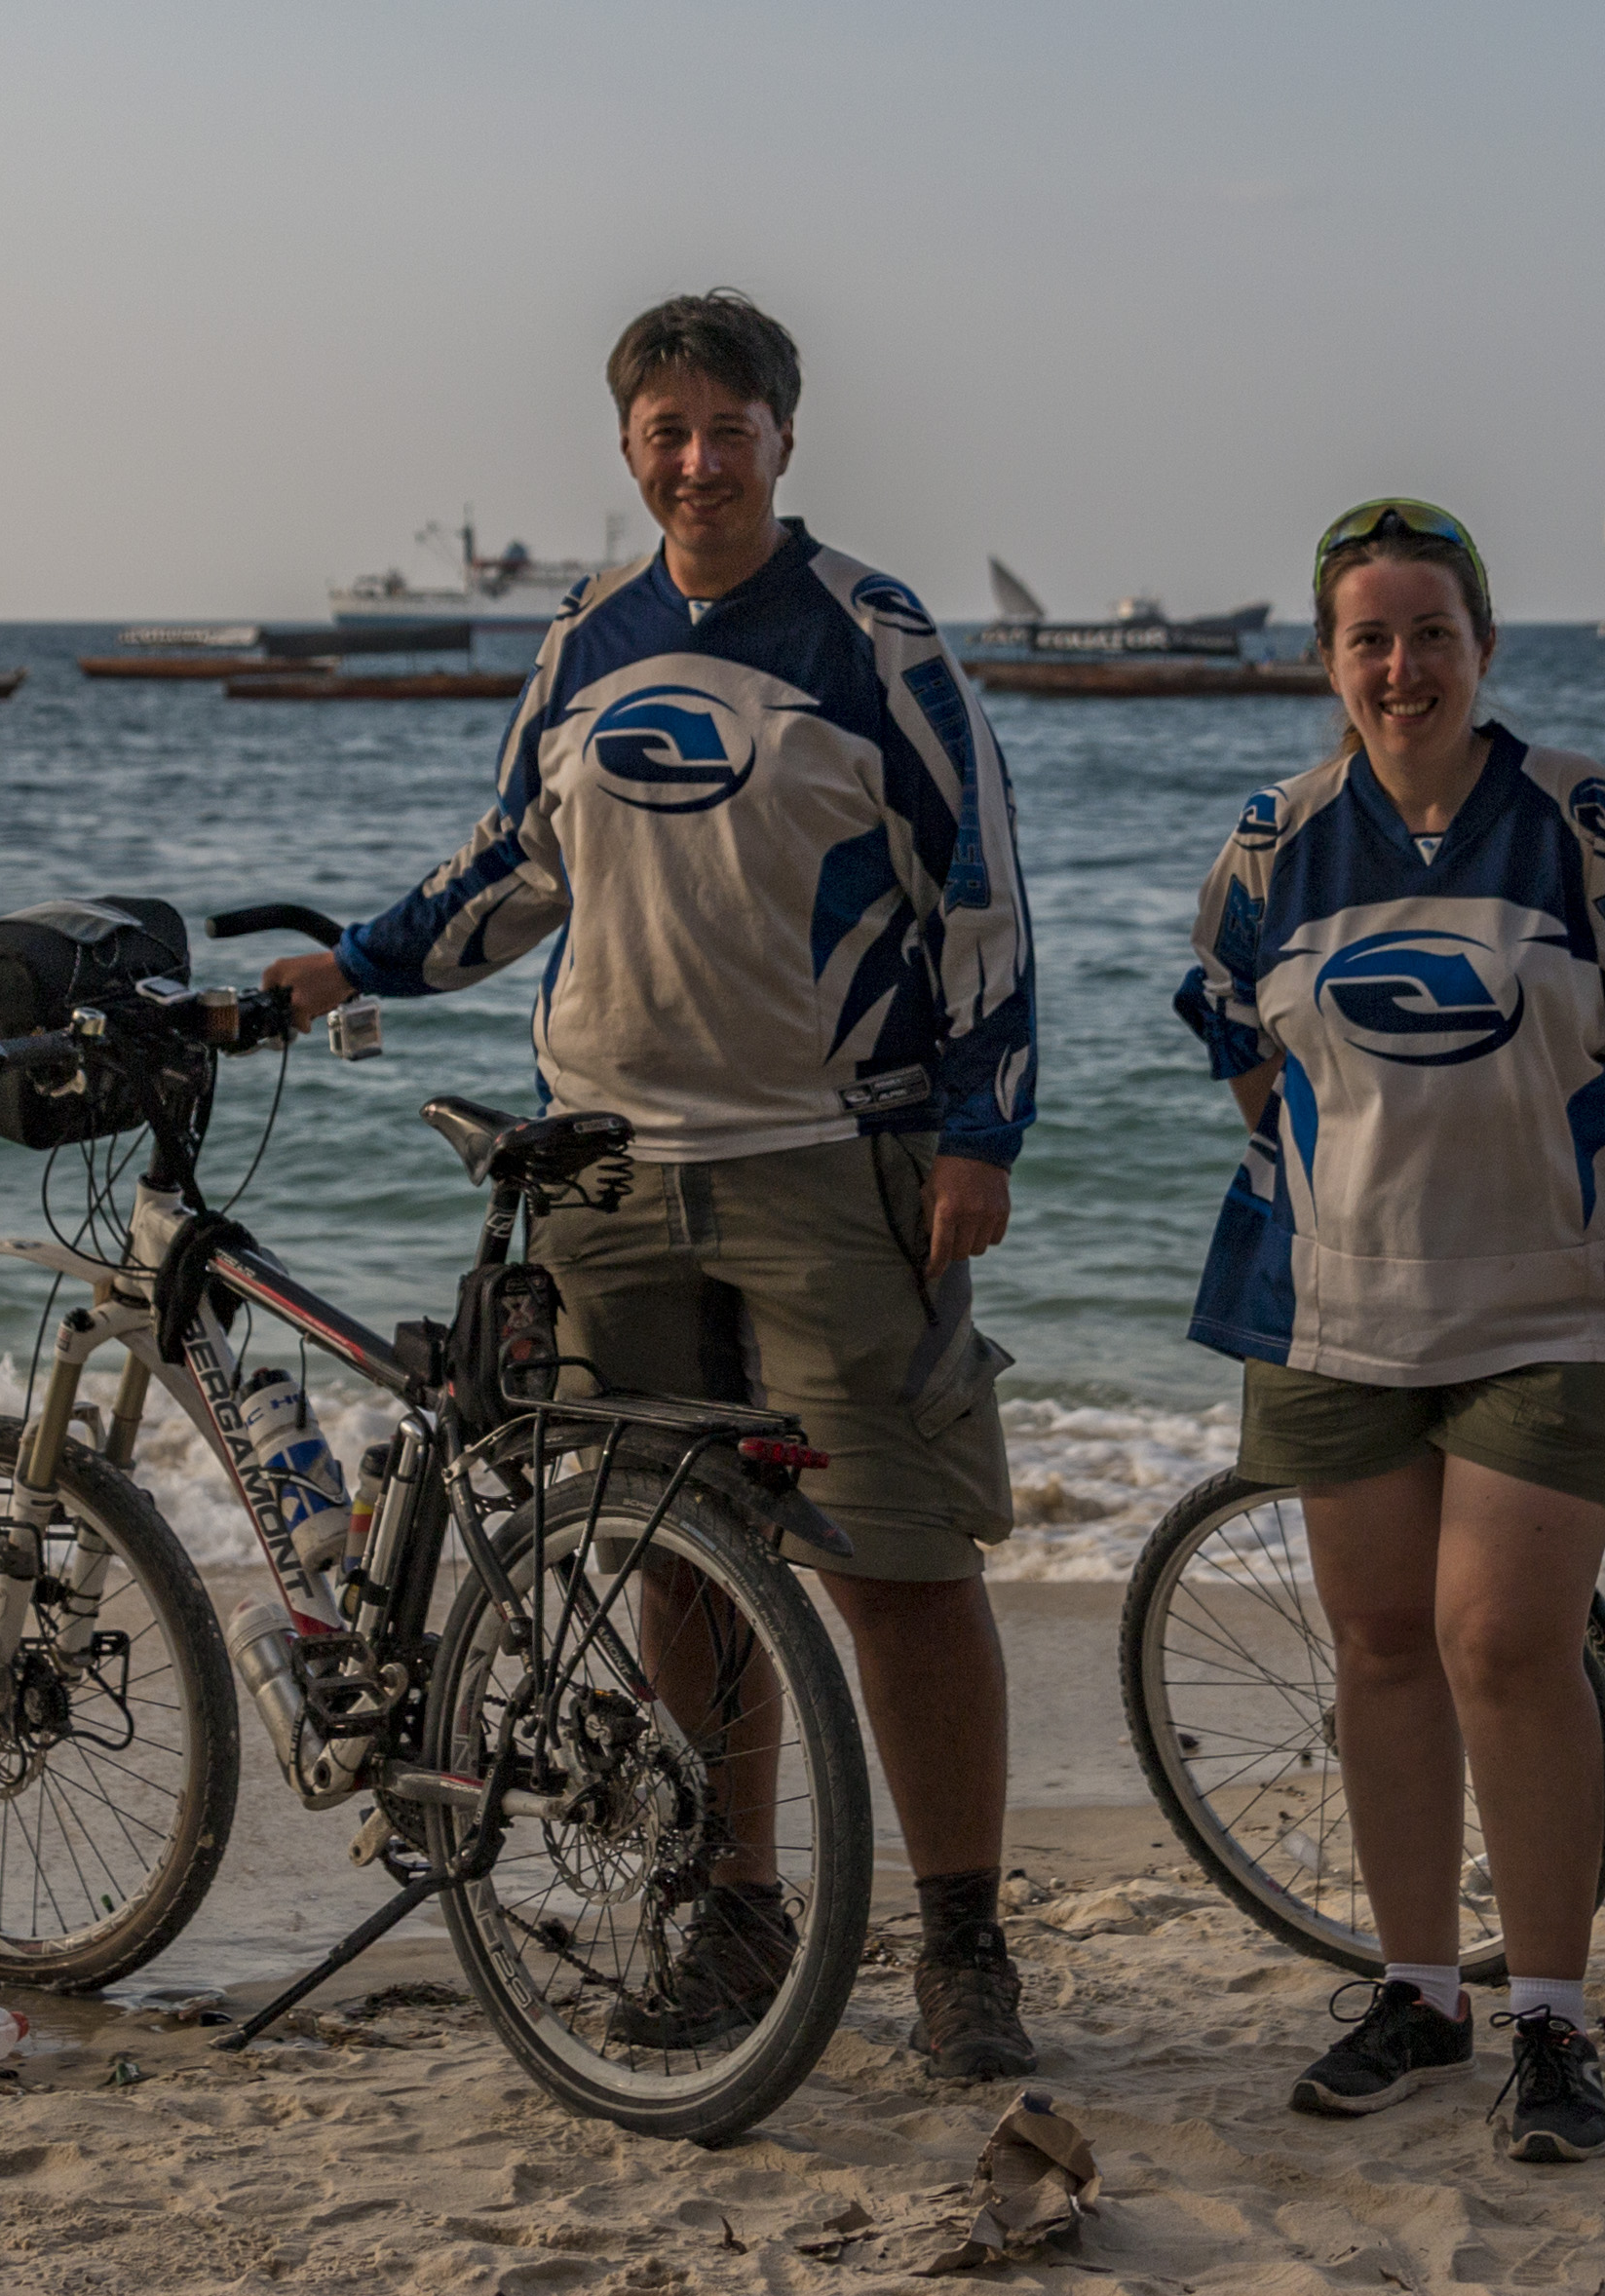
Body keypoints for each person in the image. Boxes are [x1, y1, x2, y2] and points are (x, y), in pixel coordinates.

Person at [264, 290, 1041, 2081]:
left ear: (786, 436)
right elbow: (512, 868)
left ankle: (967, 1949)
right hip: (605, 1172)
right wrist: (349, 968)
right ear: (627, 446)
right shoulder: (586, 637)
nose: (699, 459)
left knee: (900, 1564)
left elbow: (982, 888)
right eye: (665, 430)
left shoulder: (876, 637)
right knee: (674, 1572)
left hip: (830, 1160)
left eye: (730, 427)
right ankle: (732, 1909)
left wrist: (985, 1130)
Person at [1170, 499, 1605, 2162]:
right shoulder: (1276, 841)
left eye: (1433, 631)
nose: (1402, 664)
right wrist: (1312, 1167)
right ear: (1325, 660)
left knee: (1501, 1641)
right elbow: (1227, 1018)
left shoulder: (1581, 818)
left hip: (1555, 1303)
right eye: (1370, 636)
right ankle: (1422, 1994)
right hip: (1335, 1315)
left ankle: (1554, 2023)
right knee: (1382, 1651)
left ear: (1485, 647)